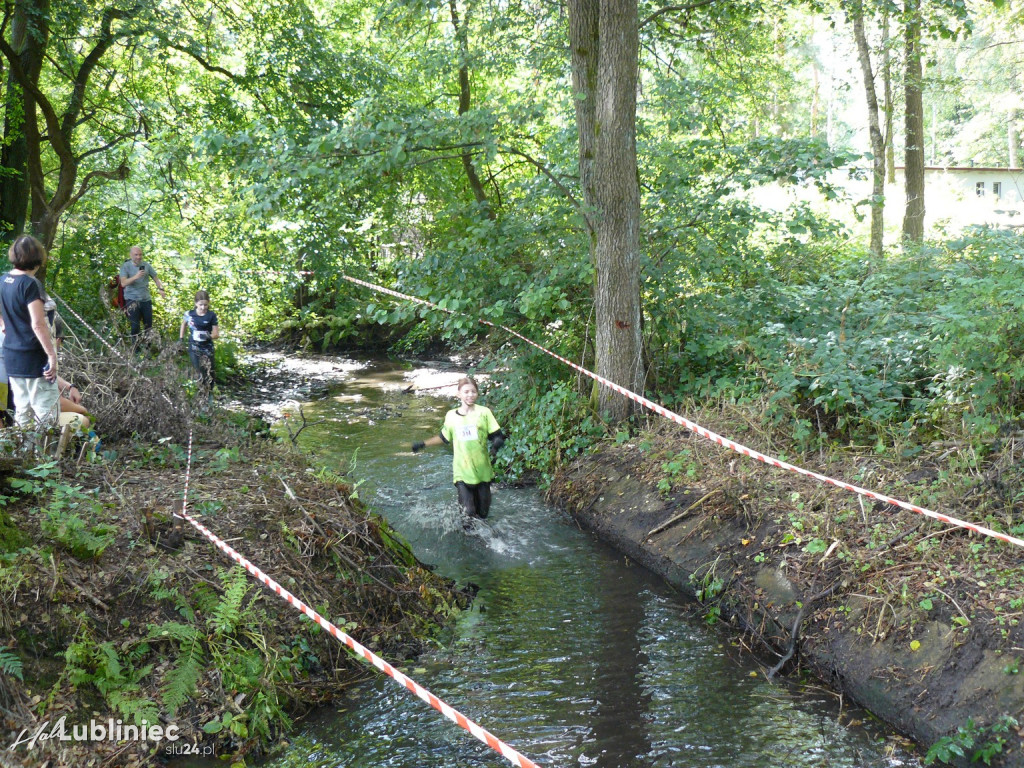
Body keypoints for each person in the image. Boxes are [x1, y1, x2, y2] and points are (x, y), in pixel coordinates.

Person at [410, 376, 505, 520]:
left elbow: (496, 435)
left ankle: (484, 540)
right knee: (468, 513)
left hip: (483, 471)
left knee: (483, 514)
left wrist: (497, 443)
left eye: (473, 391)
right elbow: (443, 438)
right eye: (466, 392)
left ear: (477, 393)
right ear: (459, 394)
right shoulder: (451, 416)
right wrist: (423, 444)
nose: (470, 395)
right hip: (462, 471)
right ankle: (468, 540)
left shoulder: (484, 412)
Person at [0, 236, 59, 429]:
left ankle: (22, 456)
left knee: (22, 410)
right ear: (37, 257)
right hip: (33, 357)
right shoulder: (30, 284)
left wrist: (4, 324)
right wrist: (52, 354)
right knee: (45, 412)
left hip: (11, 355)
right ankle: (44, 458)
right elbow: (38, 324)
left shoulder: (3, 281)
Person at [118, 245, 166, 341]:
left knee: (148, 326)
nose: (138, 257)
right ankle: (135, 351)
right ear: (131, 255)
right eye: (136, 255)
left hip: (146, 300)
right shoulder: (126, 266)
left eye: (140, 255)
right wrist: (136, 276)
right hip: (132, 300)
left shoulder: (146, 265)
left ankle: (147, 349)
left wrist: (161, 289)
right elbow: (123, 283)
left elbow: (156, 278)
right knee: (135, 326)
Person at [179, 290, 219, 396]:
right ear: (196, 303)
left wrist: (207, 336)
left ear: (208, 303)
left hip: (207, 347)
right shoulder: (189, 314)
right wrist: (181, 339)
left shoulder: (211, 315)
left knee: (209, 372)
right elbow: (183, 324)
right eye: (201, 304)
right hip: (194, 347)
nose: (203, 307)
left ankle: (209, 395)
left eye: (205, 305)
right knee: (199, 372)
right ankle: (200, 396)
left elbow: (216, 334)